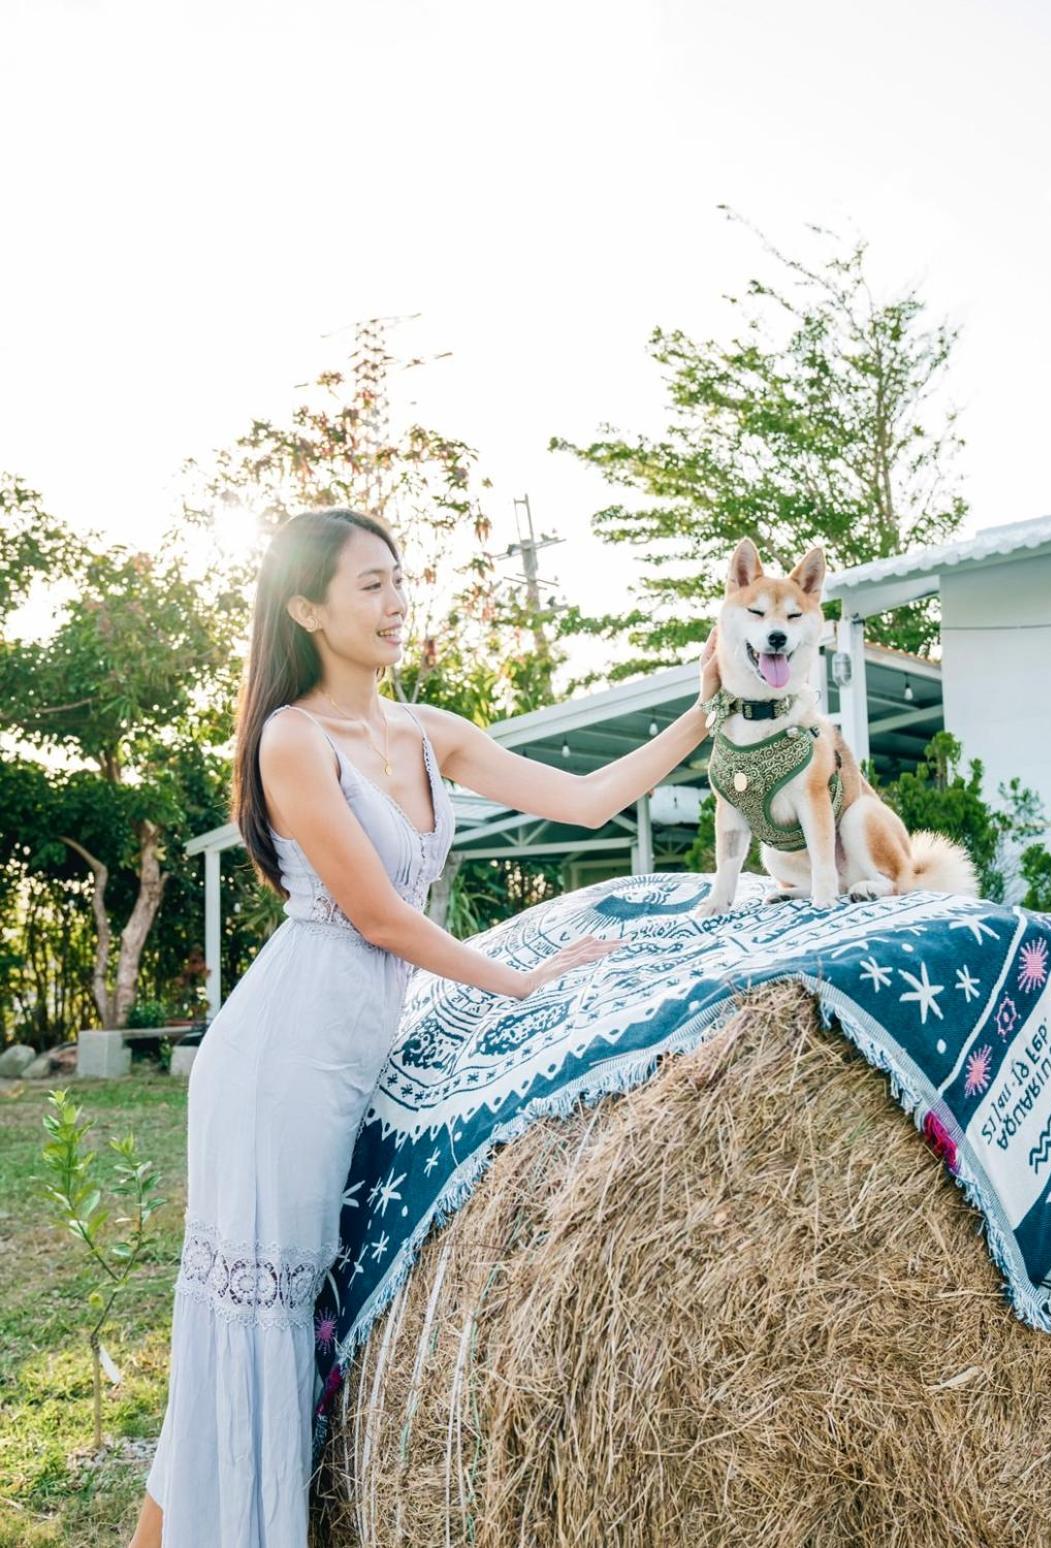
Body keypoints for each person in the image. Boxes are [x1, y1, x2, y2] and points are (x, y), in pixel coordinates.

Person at [129, 506, 717, 1548]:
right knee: (249, 1325)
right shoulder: (290, 738)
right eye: (369, 585)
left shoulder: (425, 731)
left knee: (264, 1331)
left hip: (352, 1044)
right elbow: (378, 916)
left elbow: (582, 802)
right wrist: (520, 981)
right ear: (305, 607)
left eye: (400, 580)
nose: (395, 602)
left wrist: (703, 709)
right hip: (280, 1058)